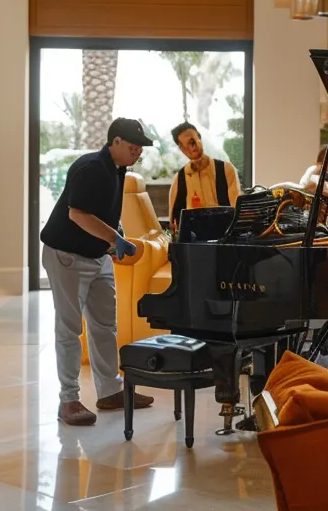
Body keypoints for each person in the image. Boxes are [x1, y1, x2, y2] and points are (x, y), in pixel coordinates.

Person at [39, 117, 158, 426]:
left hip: (96, 257)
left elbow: (103, 213)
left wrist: (114, 238)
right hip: (66, 256)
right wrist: (114, 239)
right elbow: (77, 214)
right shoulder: (90, 168)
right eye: (133, 147)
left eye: (140, 149)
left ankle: (109, 391)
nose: (137, 153)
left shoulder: (118, 171)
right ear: (115, 142)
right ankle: (68, 401)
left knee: (105, 325)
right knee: (69, 329)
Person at [166, 122, 241, 232]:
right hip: (194, 239)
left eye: (193, 141)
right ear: (181, 149)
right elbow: (174, 222)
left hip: (224, 234)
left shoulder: (226, 170)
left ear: (199, 138)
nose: (192, 147)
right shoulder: (180, 179)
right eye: (186, 145)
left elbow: (236, 208)